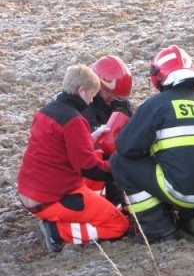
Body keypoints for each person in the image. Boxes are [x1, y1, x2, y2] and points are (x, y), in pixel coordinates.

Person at [110, 45, 194, 245]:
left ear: (157, 77)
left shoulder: (157, 104)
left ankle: (159, 231)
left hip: (183, 190)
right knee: (181, 168)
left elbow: (125, 147)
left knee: (119, 162)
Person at [17, 64, 130, 252]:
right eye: (92, 95)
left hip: (29, 193)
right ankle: (57, 232)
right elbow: (89, 169)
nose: (91, 101)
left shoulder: (46, 111)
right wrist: (118, 166)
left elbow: (56, 146)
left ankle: (87, 210)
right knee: (118, 225)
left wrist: (90, 138)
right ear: (81, 90)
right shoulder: (74, 120)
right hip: (52, 198)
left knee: (95, 155)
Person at [82, 54, 135, 200]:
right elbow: (85, 137)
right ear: (98, 87)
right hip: (93, 160)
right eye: (110, 95)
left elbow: (132, 123)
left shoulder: (118, 101)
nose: (112, 100)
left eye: (117, 97)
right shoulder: (84, 103)